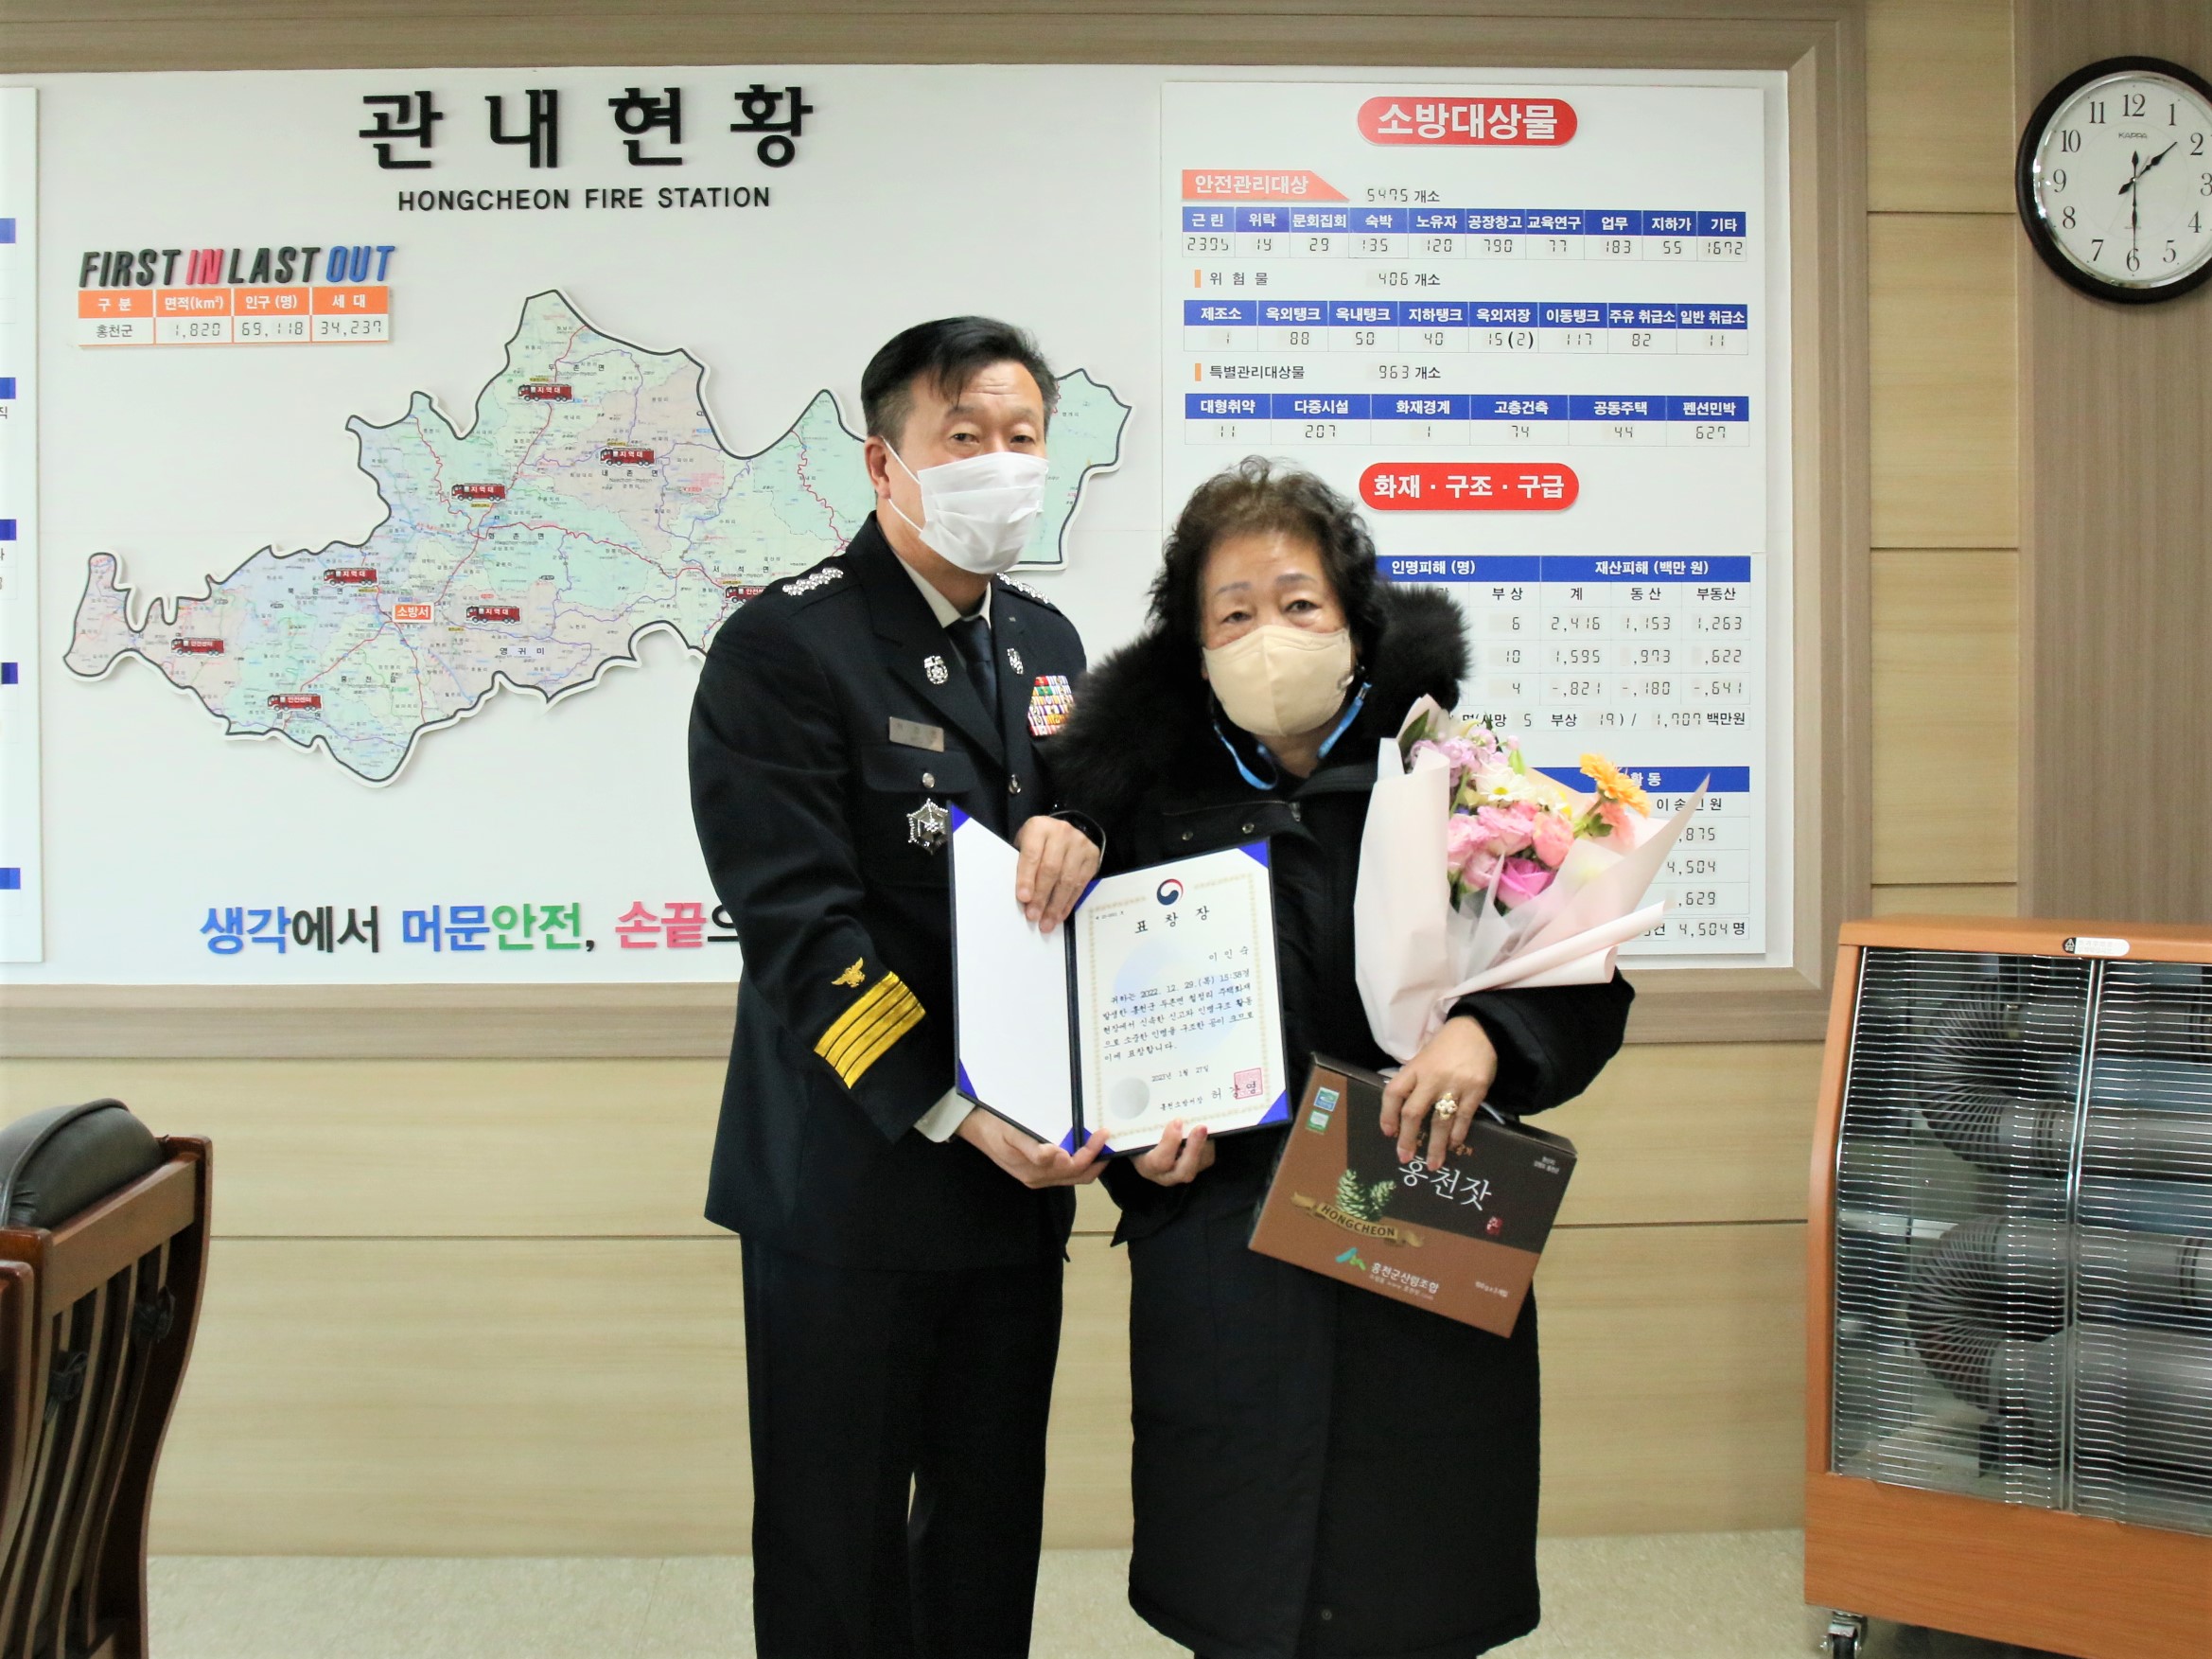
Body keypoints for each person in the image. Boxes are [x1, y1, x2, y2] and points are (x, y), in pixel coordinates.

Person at [1049, 458, 1635, 1659]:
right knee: (1242, 1583)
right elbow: (1093, 1038)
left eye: (1299, 602)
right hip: (1226, 1262)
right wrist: (1136, 1159)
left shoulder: (1460, 783)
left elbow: (1589, 981)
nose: (1268, 634)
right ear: (1192, 646)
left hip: (1419, 1228)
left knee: (1414, 1575)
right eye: (1233, 612)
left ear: (1355, 625)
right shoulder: (1141, 813)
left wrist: (1488, 1033)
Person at [688, 316, 1110, 1659]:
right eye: (963, 437)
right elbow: (797, 927)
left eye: (1022, 437)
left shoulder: (1045, 643)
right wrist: (952, 1104)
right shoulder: (784, 648)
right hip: (851, 1175)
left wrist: (1087, 834)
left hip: (1016, 1183)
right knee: (839, 1544)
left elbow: (1087, 856)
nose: (1000, 463)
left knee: (986, 1530)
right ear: (884, 463)